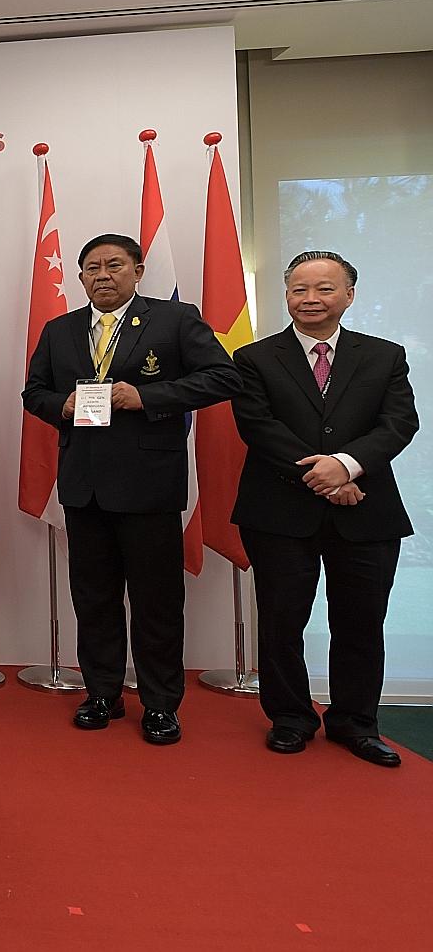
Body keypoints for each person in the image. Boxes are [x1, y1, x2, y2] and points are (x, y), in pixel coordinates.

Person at [22, 233, 242, 745]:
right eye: (92, 267)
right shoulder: (60, 330)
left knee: (156, 602)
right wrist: (63, 407)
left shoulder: (175, 319)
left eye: (114, 265)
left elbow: (223, 378)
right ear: (80, 277)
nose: (103, 275)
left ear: (138, 271)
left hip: (149, 488)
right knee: (94, 599)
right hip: (84, 488)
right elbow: (34, 393)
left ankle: (161, 704)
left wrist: (146, 396)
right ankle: (102, 693)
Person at [231, 251, 419, 767]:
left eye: (324, 289)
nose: (310, 299)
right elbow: (259, 429)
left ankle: (356, 724)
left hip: (367, 511)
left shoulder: (384, 355)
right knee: (281, 621)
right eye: (299, 289)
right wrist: (325, 476)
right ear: (286, 295)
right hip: (278, 513)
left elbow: (399, 424)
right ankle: (290, 719)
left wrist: (347, 466)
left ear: (349, 295)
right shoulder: (254, 358)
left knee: (360, 623)